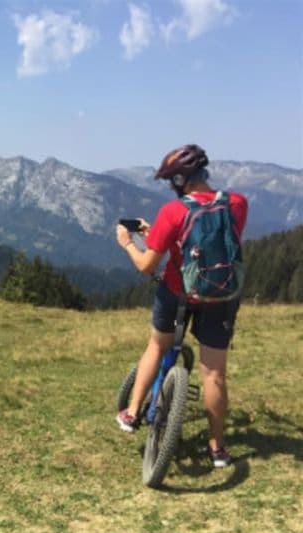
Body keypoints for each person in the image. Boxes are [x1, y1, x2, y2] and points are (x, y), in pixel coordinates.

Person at [115, 144, 248, 468]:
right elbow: (211, 242)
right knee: (214, 375)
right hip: (221, 297)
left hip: (177, 293)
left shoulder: (173, 212)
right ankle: (218, 449)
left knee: (156, 348)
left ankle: (132, 414)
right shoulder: (237, 204)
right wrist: (160, 233)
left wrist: (129, 242)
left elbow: (148, 266)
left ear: (178, 179)